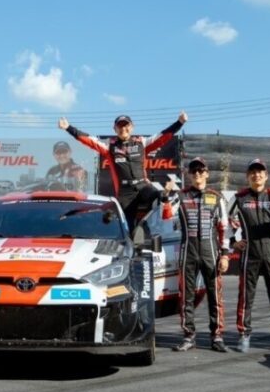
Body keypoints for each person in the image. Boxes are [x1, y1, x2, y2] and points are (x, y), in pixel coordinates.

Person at [58, 111, 187, 236]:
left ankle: (158, 229)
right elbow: (88, 140)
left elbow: (163, 137)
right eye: (120, 126)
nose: (123, 128)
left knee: (160, 197)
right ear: (115, 129)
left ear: (132, 127)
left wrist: (180, 123)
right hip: (125, 192)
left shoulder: (141, 142)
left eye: (126, 125)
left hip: (143, 186)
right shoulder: (109, 145)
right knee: (127, 227)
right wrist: (68, 128)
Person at [228, 159, 270, 354]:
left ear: (266, 176)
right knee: (246, 296)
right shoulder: (239, 197)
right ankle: (244, 334)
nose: (256, 175)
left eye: (260, 172)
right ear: (247, 176)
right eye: (253, 172)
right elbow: (223, 220)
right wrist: (232, 241)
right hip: (250, 253)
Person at [164, 157, 230, 352]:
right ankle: (189, 336)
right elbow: (166, 215)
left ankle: (217, 336)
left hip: (211, 251)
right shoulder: (181, 196)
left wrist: (225, 254)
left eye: (201, 171)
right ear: (189, 175)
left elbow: (224, 228)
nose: (197, 174)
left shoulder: (216, 197)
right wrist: (166, 195)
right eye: (194, 171)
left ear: (207, 174)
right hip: (188, 251)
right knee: (187, 295)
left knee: (214, 295)